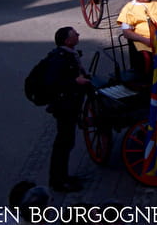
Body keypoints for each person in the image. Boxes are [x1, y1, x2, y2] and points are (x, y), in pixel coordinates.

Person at [39, 26, 91, 193]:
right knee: (63, 143)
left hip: (69, 104)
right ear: (67, 41)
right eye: (74, 34)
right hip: (64, 106)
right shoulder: (60, 59)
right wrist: (76, 82)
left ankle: (63, 176)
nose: (78, 34)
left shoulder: (69, 54)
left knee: (66, 142)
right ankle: (58, 181)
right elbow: (52, 83)